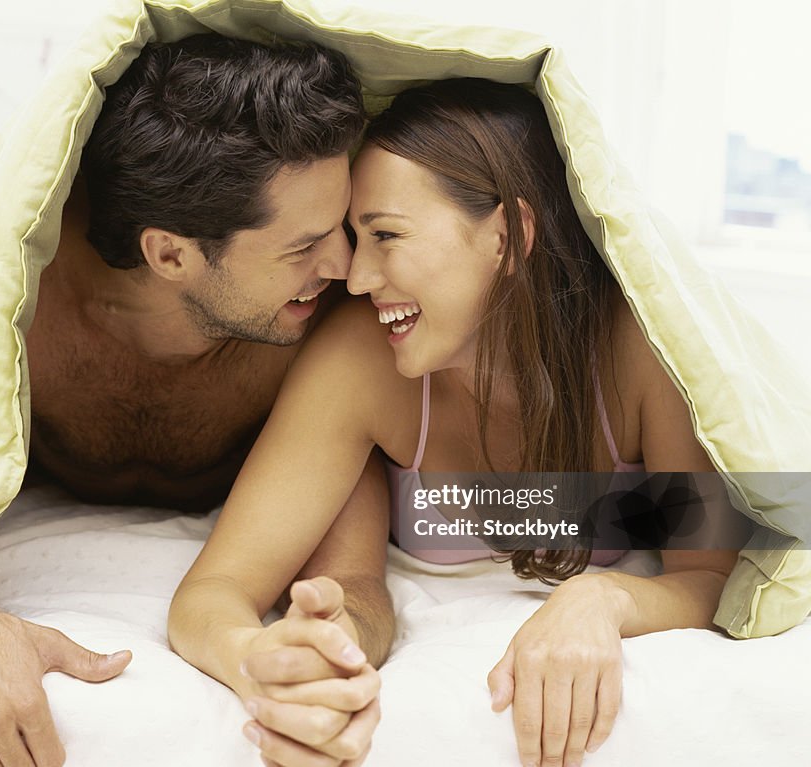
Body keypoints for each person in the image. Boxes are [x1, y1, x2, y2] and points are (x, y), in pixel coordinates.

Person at [169, 77, 740, 767]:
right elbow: (215, 591)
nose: (356, 277)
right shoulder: (359, 358)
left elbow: (711, 577)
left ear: (508, 235)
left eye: (385, 234)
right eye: (357, 236)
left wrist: (603, 598)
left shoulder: (636, 351)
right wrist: (266, 652)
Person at [0, 35, 393, 767]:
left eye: (343, 228)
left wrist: (330, 646)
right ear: (169, 254)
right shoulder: (9, 300)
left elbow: (355, 579)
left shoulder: (329, 330)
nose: (350, 269)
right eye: (304, 246)